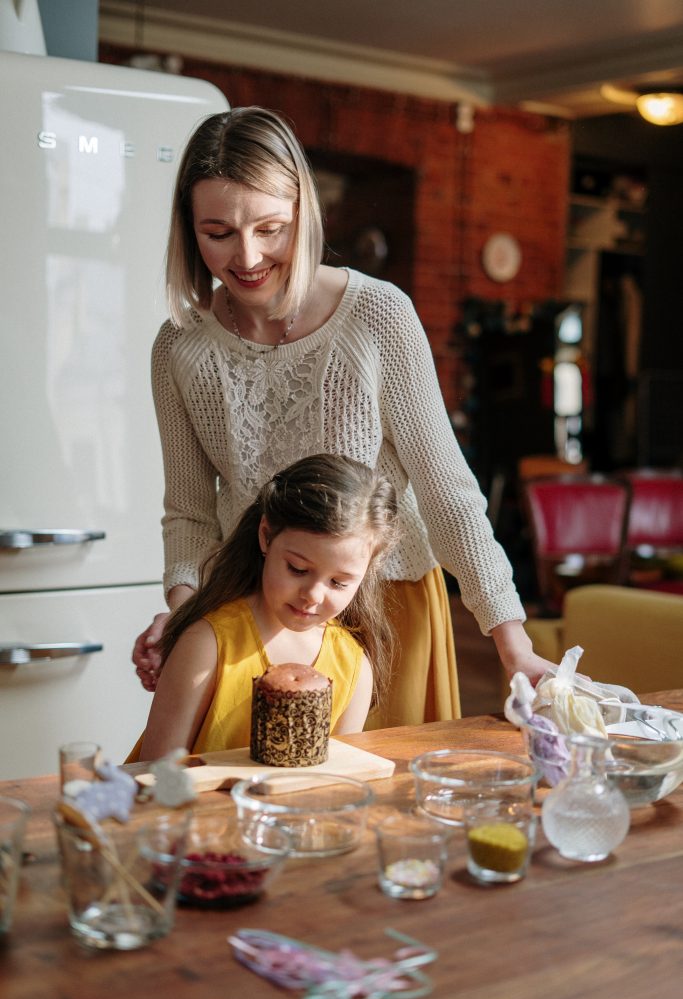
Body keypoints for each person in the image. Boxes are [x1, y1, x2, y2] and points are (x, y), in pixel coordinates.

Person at [132, 105, 554, 728]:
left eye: (269, 228)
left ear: (303, 214)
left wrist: (510, 638)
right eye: (217, 232)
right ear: (188, 230)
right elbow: (190, 511)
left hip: (389, 610)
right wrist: (183, 608)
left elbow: (447, 491)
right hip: (255, 611)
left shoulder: (378, 316)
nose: (246, 257)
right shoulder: (179, 347)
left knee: (379, 808)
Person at [130, 454, 398, 761]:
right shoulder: (208, 644)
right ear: (266, 536)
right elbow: (158, 773)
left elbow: (339, 777)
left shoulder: (353, 666)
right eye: (297, 569)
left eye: (338, 583)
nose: (312, 595)